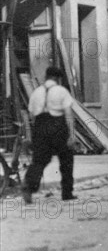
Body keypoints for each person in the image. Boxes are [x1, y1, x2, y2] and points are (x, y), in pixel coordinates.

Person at [22, 67, 77, 204]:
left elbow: (31, 114)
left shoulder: (36, 92)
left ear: (46, 77)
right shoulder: (62, 91)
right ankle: (67, 193)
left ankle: (28, 185)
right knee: (66, 160)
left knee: (40, 160)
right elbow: (68, 114)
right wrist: (71, 135)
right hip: (58, 126)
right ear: (58, 79)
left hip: (40, 126)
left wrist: (33, 133)